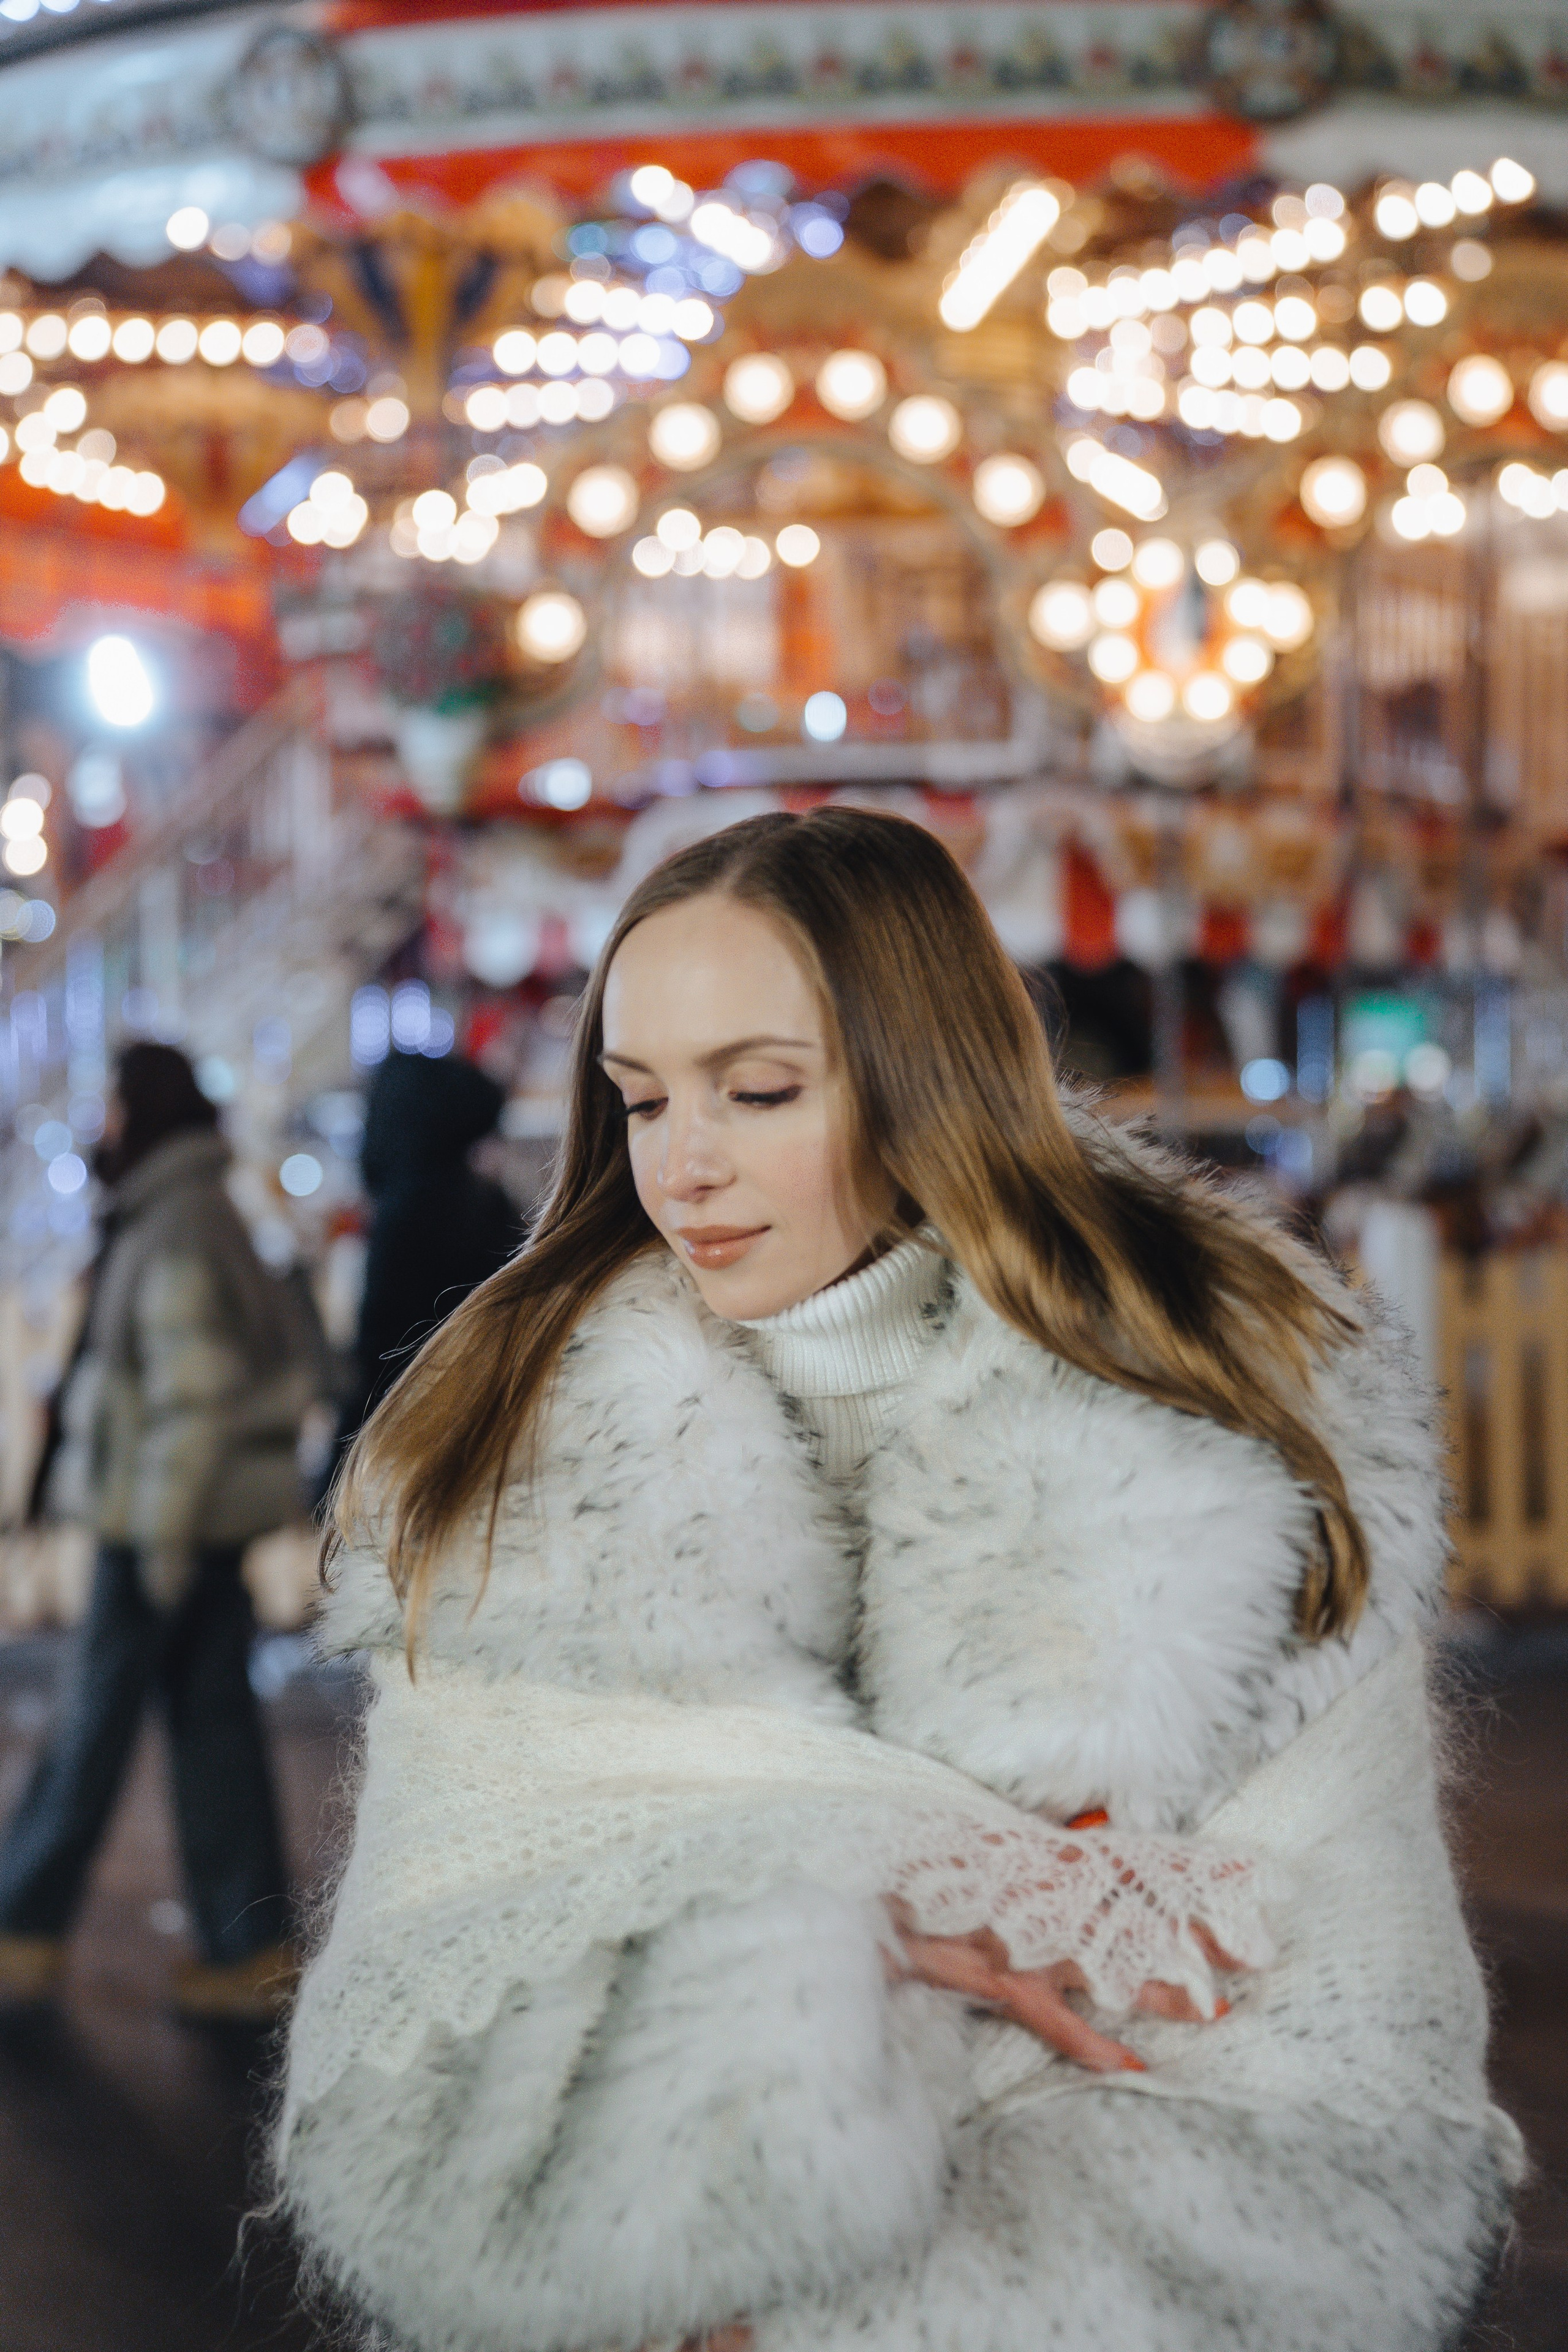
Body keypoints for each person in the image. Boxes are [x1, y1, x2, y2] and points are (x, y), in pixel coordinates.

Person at [279, 810, 1519, 2352]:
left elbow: (1344, 2100)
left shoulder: (1235, 1429)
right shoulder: (514, 1461)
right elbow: (424, 2053)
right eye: (638, 1097)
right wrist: (832, 1926)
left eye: (758, 1089)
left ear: (924, 1075)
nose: (680, 1163)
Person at [0, 1042, 312, 2020]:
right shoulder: (192, 1209)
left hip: (159, 1527)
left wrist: (164, 1544)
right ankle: (247, 1947)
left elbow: (195, 1399)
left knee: (89, 1730)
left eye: (114, 1106)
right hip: (188, 1524)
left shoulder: (174, 1223)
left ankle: (19, 1928)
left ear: (144, 1112)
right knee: (211, 1725)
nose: (104, 1125)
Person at [317, 1047, 520, 1502]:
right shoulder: (483, 1199)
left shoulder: (408, 1213)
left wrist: (331, 1481)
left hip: (417, 1451)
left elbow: (383, 1356)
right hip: (481, 1442)